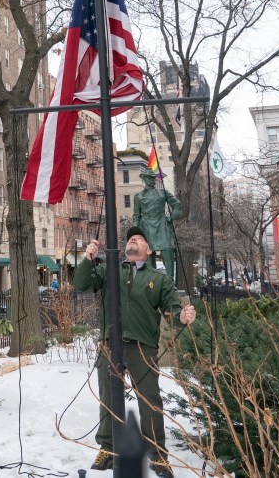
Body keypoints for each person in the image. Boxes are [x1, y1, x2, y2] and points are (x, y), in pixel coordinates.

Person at [74, 226, 196, 478]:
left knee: (150, 401)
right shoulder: (110, 271)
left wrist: (183, 316)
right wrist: (88, 258)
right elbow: (82, 284)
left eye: (139, 238)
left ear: (148, 250)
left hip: (142, 347)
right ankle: (108, 448)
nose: (133, 239)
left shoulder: (159, 279)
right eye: (131, 238)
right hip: (110, 344)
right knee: (108, 398)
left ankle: (158, 457)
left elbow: (172, 311)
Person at [132, 171, 183, 278]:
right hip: (146, 227)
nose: (150, 180)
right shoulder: (138, 196)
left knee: (168, 251)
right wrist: (135, 233)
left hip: (162, 225)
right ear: (144, 180)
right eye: (148, 178)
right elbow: (136, 216)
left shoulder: (163, 192)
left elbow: (178, 205)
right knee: (148, 254)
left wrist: (170, 218)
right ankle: (152, 283)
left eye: (152, 178)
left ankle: (170, 282)